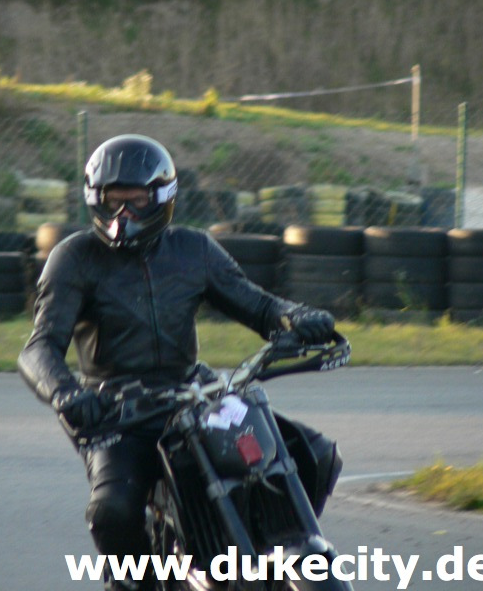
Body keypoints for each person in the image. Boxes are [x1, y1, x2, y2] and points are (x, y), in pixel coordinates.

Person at [17, 134, 336, 589]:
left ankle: (265, 543)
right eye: (113, 200)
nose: (123, 213)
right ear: (95, 200)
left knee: (315, 454)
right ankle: (135, 583)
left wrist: (297, 317)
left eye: (135, 200)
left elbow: (259, 306)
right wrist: (66, 393)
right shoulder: (74, 258)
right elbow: (39, 348)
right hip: (116, 409)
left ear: (162, 198)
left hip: (193, 393)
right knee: (113, 510)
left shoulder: (194, 250)